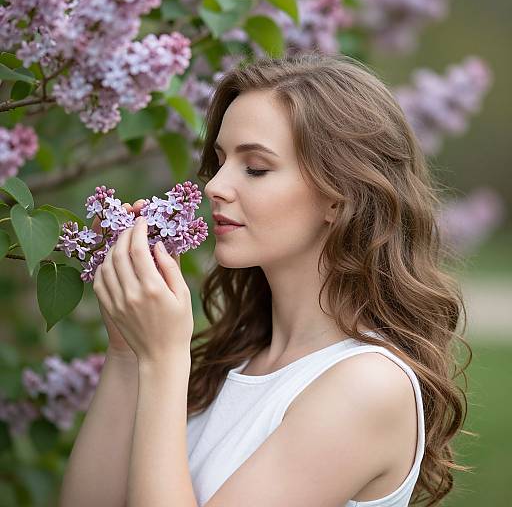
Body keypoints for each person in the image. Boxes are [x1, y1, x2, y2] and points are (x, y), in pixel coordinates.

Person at [60, 52, 473, 507]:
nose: (214, 186)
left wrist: (162, 359)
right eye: (219, 161)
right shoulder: (233, 360)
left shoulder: (368, 387)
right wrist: (127, 352)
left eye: (255, 167)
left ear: (339, 198)